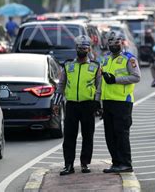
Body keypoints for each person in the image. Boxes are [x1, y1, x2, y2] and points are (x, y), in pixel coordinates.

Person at [54, 35, 102, 176]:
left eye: (85, 48)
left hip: (88, 105)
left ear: (89, 49)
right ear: (76, 49)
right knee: (69, 136)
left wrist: (98, 104)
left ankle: (85, 163)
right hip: (72, 105)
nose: (82, 50)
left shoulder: (95, 66)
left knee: (88, 135)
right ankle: (68, 165)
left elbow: (99, 86)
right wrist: (56, 103)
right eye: (80, 48)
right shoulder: (68, 65)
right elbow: (61, 85)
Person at [101, 32, 141, 174]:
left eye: (117, 43)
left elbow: (136, 77)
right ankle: (116, 163)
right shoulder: (105, 60)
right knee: (109, 135)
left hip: (122, 102)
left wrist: (116, 80)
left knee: (121, 133)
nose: (114, 46)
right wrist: (98, 101)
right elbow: (101, 81)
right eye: (111, 44)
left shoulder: (129, 58)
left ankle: (125, 163)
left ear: (122, 43)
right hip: (107, 101)